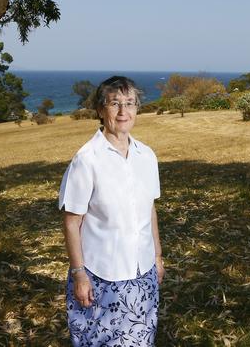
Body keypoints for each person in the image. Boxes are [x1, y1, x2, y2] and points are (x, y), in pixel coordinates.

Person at [58, 76, 164, 346]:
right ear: (100, 110)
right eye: (115, 103)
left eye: (130, 103)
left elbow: (149, 209)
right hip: (101, 275)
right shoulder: (86, 159)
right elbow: (72, 222)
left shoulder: (147, 156)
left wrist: (158, 257)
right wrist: (79, 274)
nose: (123, 111)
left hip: (143, 271)